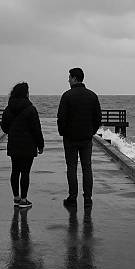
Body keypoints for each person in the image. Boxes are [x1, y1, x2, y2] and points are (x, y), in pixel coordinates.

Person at [57, 68, 101, 208]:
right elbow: (97, 118)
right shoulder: (92, 96)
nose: (68, 80)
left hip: (70, 138)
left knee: (72, 167)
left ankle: (72, 197)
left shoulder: (67, 96)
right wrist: (91, 131)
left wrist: (63, 132)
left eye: (69, 77)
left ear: (75, 78)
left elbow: (61, 117)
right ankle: (88, 198)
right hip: (86, 138)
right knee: (87, 167)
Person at [1, 82, 44, 208]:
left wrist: (13, 132)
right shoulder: (31, 109)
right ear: (26, 93)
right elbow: (36, 129)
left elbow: (4, 128)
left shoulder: (8, 109)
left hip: (14, 144)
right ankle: (24, 200)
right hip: (28, 145)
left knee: (15, 171)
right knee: (25, 172)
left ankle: (16, 197)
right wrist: (40, 145)